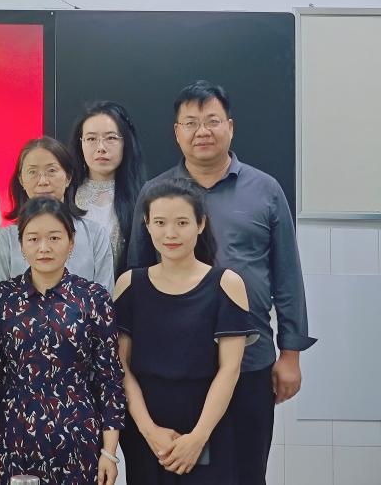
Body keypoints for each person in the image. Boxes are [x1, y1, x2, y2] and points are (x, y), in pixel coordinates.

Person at [126, 81, 316, 485]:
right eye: (190, 123)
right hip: (172, 371)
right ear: (176, 132)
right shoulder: (156, 194)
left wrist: (291, 355)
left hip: (249, 362)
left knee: (245, 472)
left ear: (230, 126)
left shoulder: (265, 190)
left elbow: (287, 274)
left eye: (212, 121)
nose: (202, 131)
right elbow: (137, 280)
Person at [116, 179, 258, 483]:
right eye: (160, 222)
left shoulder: (227, 284)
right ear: (147, 225)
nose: (170, 233)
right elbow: (121, 366)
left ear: (200, 224)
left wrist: (198, 437)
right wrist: (149, 430)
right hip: (145, 425)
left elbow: (230, 369)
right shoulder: (129, 284)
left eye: (182, 222)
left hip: (208, 422)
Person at [0, 196, 125, 485]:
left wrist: (109, 452)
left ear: (71, 243)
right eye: (33, 238)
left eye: (54, 238)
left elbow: (109, 378)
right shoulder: (0, 299)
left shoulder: (93, 298)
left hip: (79, 439)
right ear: (21, 244)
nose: (44, 247)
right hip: (15, 438)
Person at [0, 137, 114, 292]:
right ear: (21, 180)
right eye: (32, 172)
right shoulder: (6, 238)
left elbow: (104, 296)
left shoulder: (96, 235)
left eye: (52, 171)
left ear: (68, 177)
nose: (43, 181)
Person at [69, 101, 147, 276]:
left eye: (111, 138)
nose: (101, 148)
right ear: (80, 143)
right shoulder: (64, 194)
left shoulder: (144, 197)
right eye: (91, 139)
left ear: (125, 142)